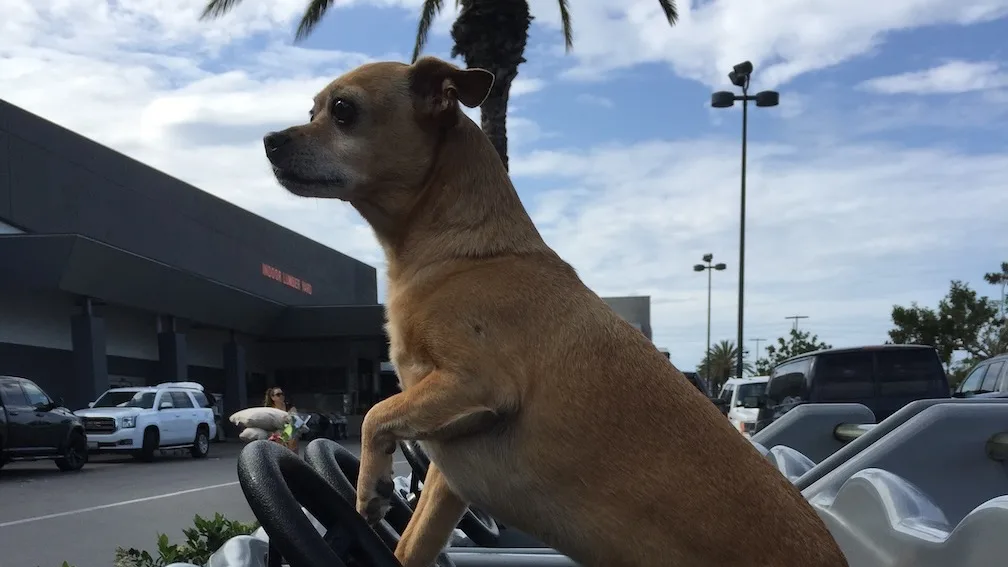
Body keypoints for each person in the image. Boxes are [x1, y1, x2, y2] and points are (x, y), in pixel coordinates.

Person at [263, 387, 299, 453]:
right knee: (277, 436)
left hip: (288, 430)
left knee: (292, 434)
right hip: (274, 431)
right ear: (272, 397)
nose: (281, 396)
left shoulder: (289, 407)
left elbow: (296, 420)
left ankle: (292, 457)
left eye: (282, 394)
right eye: (278, 394)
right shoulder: (269, 409)